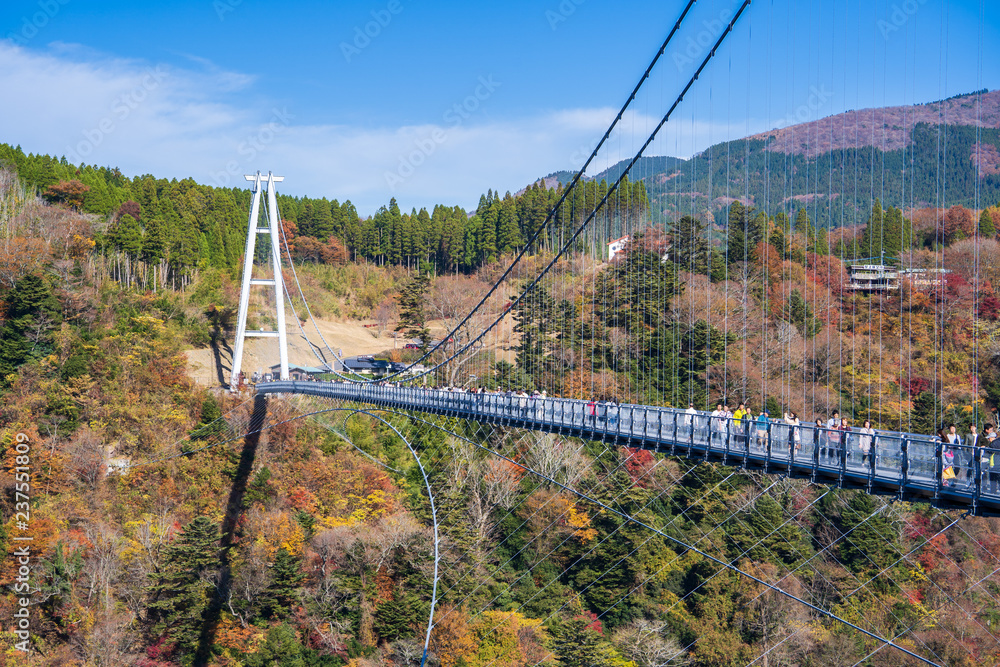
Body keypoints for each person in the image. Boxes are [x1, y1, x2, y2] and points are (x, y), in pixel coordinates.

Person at [964, 423, 979, 489]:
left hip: (977, 454)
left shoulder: (979, 435)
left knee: (977, 468)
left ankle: (975, 482)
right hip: (970, 453)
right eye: (971, 427)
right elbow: (965, 445)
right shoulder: (968, 435)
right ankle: (968, 481)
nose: (972, 429)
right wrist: (965, 454)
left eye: (973, 427)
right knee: (970, 468)